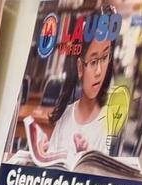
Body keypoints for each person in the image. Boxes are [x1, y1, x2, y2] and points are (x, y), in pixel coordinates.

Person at [30, 12, 118, 167]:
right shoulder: (66, 115)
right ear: (79, 68)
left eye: (104, 58)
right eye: (93, 61)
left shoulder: (108, 123)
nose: (99, 71)